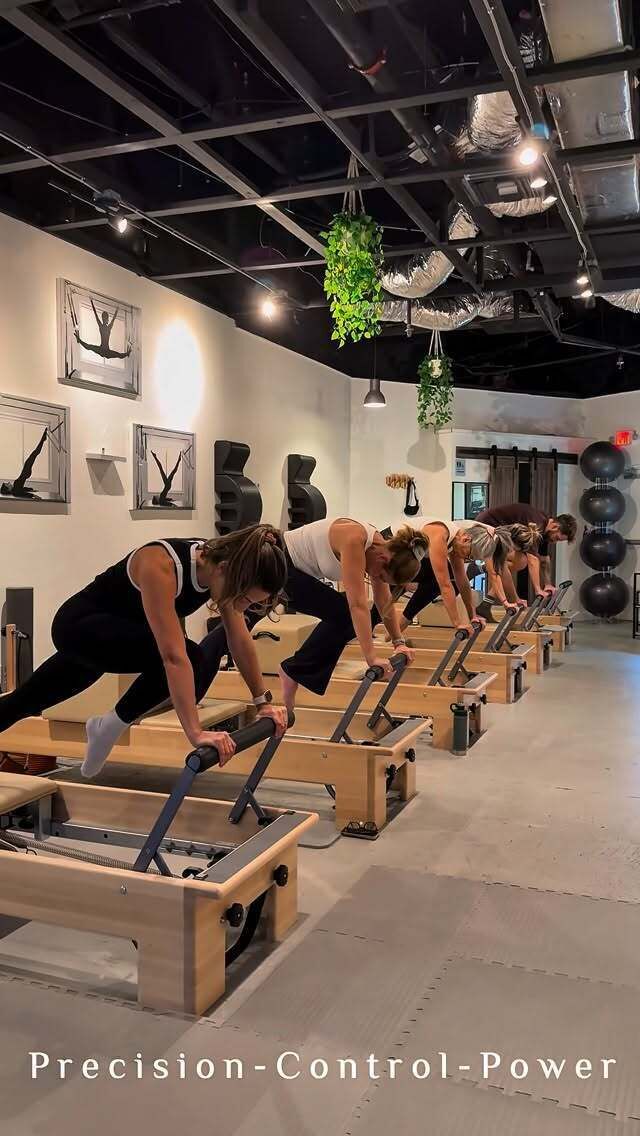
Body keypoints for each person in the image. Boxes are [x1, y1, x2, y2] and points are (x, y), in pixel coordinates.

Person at [0, 525, 289, 778]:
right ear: (224, 569)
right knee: (190, 657)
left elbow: (239, 639)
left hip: (116, 637)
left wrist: (261, 701)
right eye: (244, 599)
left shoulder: (220, 568)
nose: (242, 607)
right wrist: (195, 732)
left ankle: (105, 727)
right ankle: (108, 728)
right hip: (79, 629)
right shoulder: (160, 564)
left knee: (23, 702)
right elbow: (173, 657)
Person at [278, 518, 426, 712]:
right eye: (381, 577)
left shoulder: (378, 550)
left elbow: (384, 602)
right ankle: (293, 670)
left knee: (350, 617)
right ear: (383, 560)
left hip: (293, 571)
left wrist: (399, 642)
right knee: (348, 615)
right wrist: (371, 658)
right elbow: (357, 605)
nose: (377, 579)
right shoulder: (355, 540)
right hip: (277, 563)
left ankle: (295, 670)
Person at [383, 518, 541, 633]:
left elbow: (463, 581)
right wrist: (457, 623)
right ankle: (394, 633)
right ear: (466, 540)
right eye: (469, 556)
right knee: (439, 582)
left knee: (444, 582)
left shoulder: (461, 543)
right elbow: (446, 585)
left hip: (409, 555)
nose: (468, 560)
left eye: (471, 559)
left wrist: (472, 616)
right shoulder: (444, 536)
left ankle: (396, 632)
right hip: (389, 544)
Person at [475, 503, 577, 596]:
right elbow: (532, 559)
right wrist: (538, 590)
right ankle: (480, 571)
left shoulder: (545, 528)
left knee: (517, 561)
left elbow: (544, 560)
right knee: (521, 561)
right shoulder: (537, 524)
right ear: (555, 526)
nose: (554, 542)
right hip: (484, 528)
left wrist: (548, 584)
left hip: (498, 535)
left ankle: (483, 580)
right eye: (557, 538)